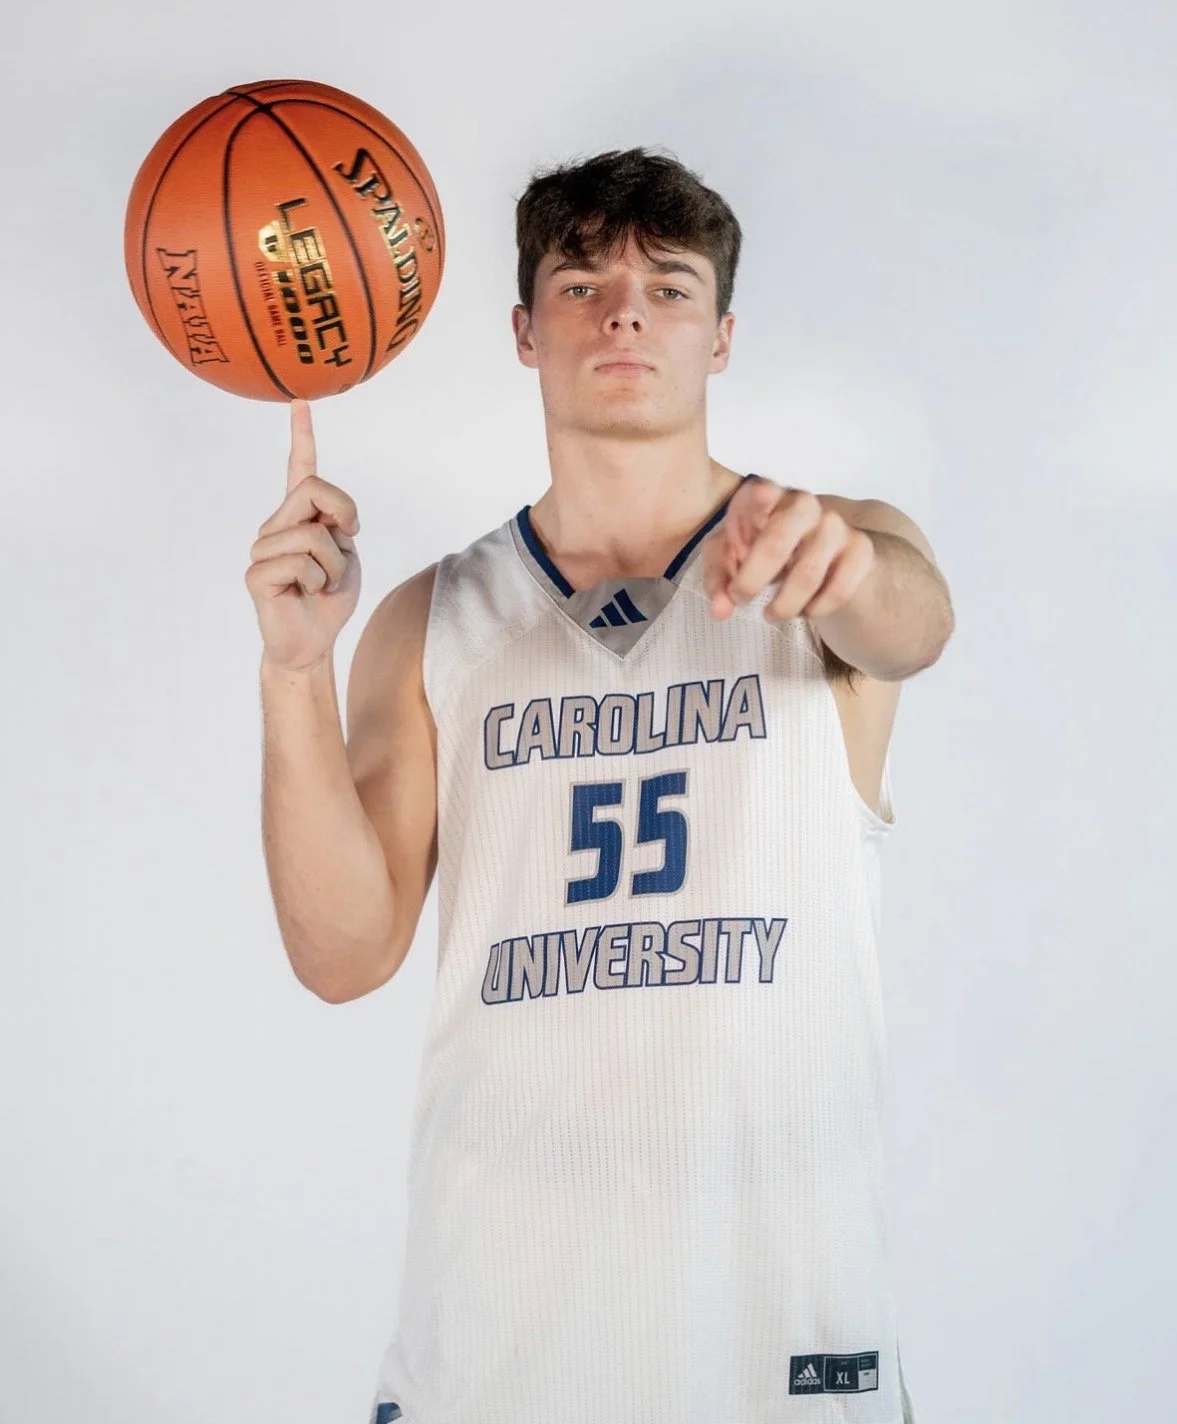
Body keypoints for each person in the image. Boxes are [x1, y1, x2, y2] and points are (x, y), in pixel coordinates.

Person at [246, 147, 953, 1424]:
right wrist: (296, 666)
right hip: (501, 1340)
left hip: (781, 1338)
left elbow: (915, 622)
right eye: (582, 281)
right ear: (525, 331)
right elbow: (343, 951)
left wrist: (853, 571)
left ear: (722, 337)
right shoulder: (431, 618)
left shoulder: (829, 549)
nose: (625, 309)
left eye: (669, 286)